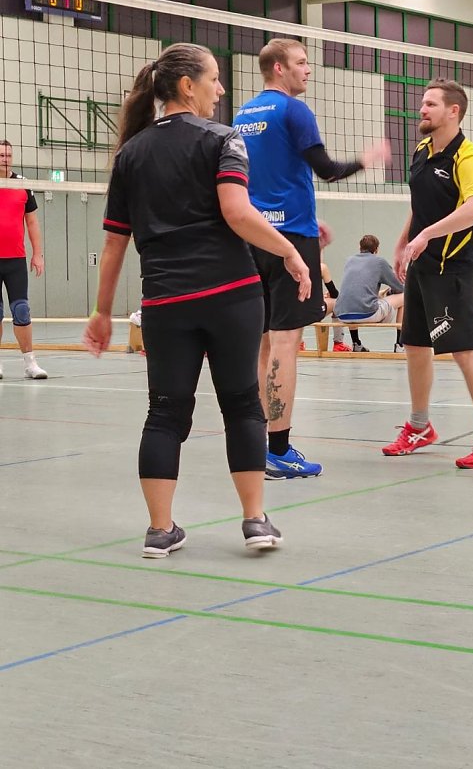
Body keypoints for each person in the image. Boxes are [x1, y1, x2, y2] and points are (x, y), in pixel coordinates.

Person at [83, 43, 312, 557]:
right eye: (214, 79)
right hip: (230, 295)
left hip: (165, 303)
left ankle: (159, 530)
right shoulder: (222, 139)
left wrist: (101, 312)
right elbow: (237, 213)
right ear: (188, 86)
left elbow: (115, 243)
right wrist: (290, 253)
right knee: (242, 404)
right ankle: (255, 521)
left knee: (165, 412)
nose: (221, 90)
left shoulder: (130, 154)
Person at [233, 38, 390, 479]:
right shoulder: (294, 110)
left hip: (253, 235)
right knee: (287, 342)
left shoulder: (242, 115)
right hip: (290, 239)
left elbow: (255, 178)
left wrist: (303, 216)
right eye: (302, 62)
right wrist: (366, 159)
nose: (308, 69)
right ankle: (278, 451)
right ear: (279, 68)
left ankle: (259, 445)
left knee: (264, 342)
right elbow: (327, 169)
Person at [382, 78, 473, 469]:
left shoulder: (466, 156)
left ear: (453, 111)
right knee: (415, 345)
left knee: (464, 350)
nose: (422, 109)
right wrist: (403, 242)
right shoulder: (422, 149)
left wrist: (427, 235)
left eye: (431, 104)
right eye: (423, 103)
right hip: (422, 263)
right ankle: (419, 426)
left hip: (453, 265)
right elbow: (418, 204)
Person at [0, 140, 47, 380]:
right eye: (1, 155)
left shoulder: (22, 184)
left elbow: (32, 222)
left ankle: (30, 363)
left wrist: (38, 254)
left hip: (16, 259)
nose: (5, 158)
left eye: (8, 155)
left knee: (21, 310)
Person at [334, 234, 405, 352]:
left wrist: (380, 294)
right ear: (376, 249)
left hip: (342, 314)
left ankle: (356, 343)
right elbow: (400, 288)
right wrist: (391, 292)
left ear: (360, 248)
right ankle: (400, 344)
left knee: (352, 303)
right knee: (404, 297)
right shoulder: (379, 262)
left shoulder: (350, 261)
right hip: (367, 313)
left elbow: (357, 290)